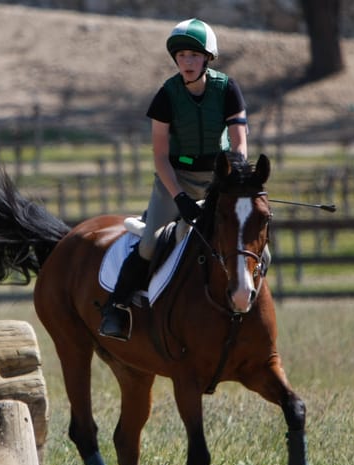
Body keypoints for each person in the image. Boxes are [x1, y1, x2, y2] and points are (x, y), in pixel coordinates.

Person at [100, 18, 249, 340]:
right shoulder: (166, 95)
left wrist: (233, 179)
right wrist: (180, 197)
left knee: (243, 235)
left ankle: (251, 296)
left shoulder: (228, 89)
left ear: (208, 58)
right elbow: (159, 155)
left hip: (218, 178)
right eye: (181, 56)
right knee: (151, 242)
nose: (187, 62)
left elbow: (239, 144)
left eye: (194, 55)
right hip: (176, 177)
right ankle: (117, 306)